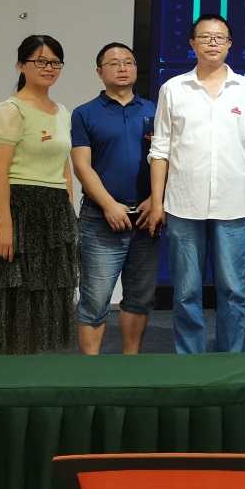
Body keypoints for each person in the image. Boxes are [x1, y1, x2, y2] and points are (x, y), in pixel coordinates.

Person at [146, 14, 245, 354]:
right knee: (186, 292)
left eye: (219, 37)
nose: (213, 42)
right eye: (205, 36)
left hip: (235, 205)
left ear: (229, 44)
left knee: (233, 291)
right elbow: (160, 150)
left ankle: (229, 359)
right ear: (192, 43)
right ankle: (190, 362)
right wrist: (157, 202)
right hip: (184, 205)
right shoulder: (173, 89)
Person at [0, 34, 77, 355]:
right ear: (21, 65)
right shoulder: (10, 110)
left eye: (55, 62)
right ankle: (9, 370)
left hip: (54, 212)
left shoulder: (62, 112)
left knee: (49, 295)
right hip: (19, 209)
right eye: (40, 61)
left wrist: (69, 215)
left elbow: (64, 167)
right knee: (16, 297)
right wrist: (5, 227)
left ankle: (38, 366)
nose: (49, 68)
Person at [70, 43, 158, 355]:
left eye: (129, 62)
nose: (122, 68)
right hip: (101, 219)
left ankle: (129, 364)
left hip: (147, 219)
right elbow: (81, 166)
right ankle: (90, 370)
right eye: (114, 63)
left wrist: (156, 199)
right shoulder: (84, 113)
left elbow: (170, 160)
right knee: (95, 300)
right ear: (99, 71)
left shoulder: (155, 111)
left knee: (139, 298)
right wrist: (109, 205)